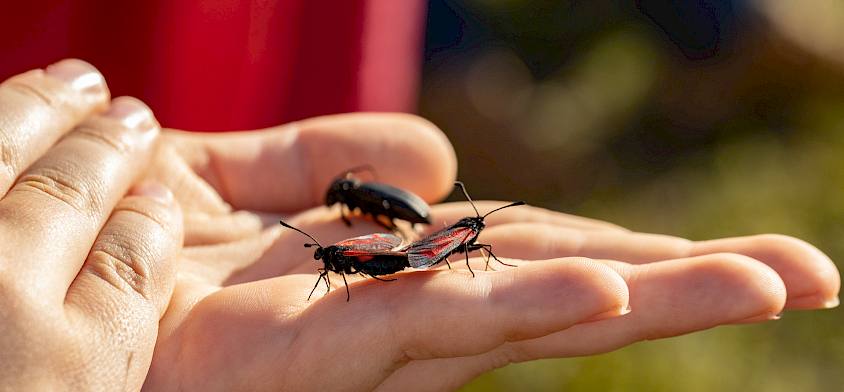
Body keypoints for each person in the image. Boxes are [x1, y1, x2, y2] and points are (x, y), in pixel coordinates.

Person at [0, 59, 838, 391]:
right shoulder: (350, 249)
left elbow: (374, 259)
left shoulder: (372, 243)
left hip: (402, 245)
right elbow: (360, 263)